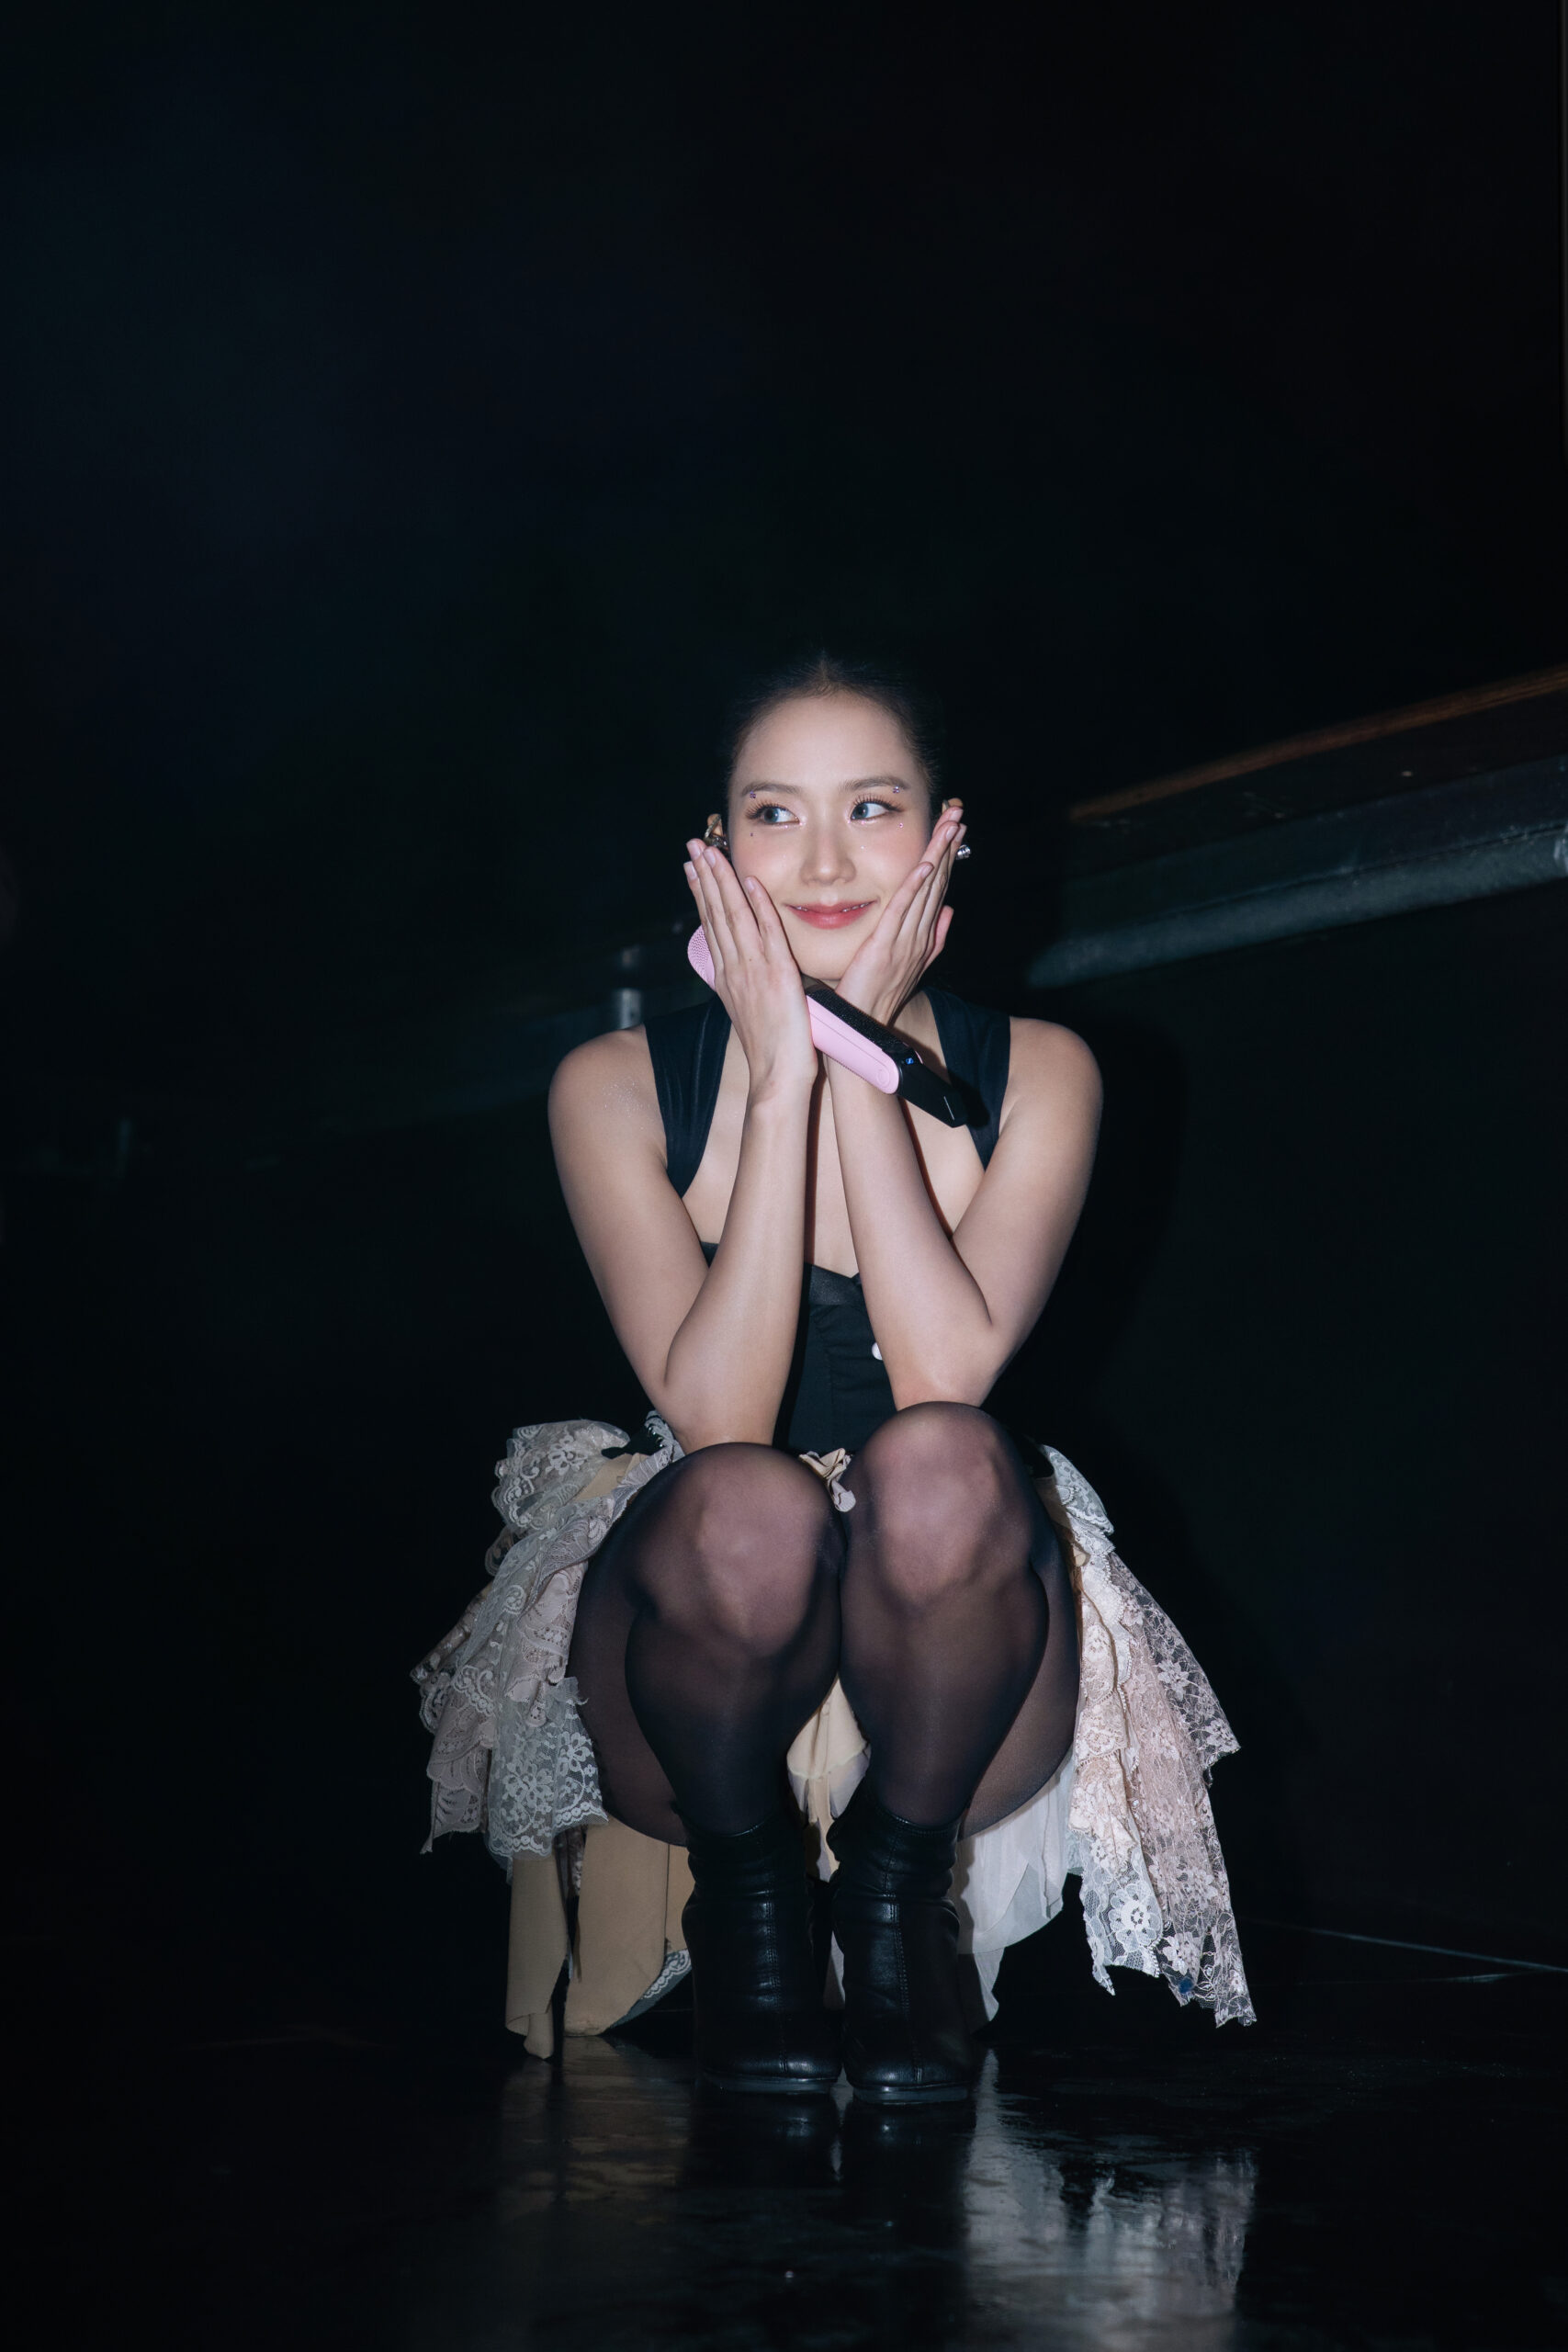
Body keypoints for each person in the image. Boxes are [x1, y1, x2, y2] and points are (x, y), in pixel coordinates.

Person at [413, 657, 1253, 2104]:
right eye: (773, 813)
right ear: (716, 847)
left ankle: (892, 1901)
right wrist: (782, 1078)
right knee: (749, 1502)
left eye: (870, 808)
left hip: (955, 1635)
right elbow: (720, 1424)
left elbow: (944, 1376)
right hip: (707, 1629)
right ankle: (752, 1916)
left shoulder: (1044, 1071)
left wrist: (856, 1051)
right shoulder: (613, 1087)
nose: (820, 863)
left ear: (945, 835)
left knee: (944, 1458)